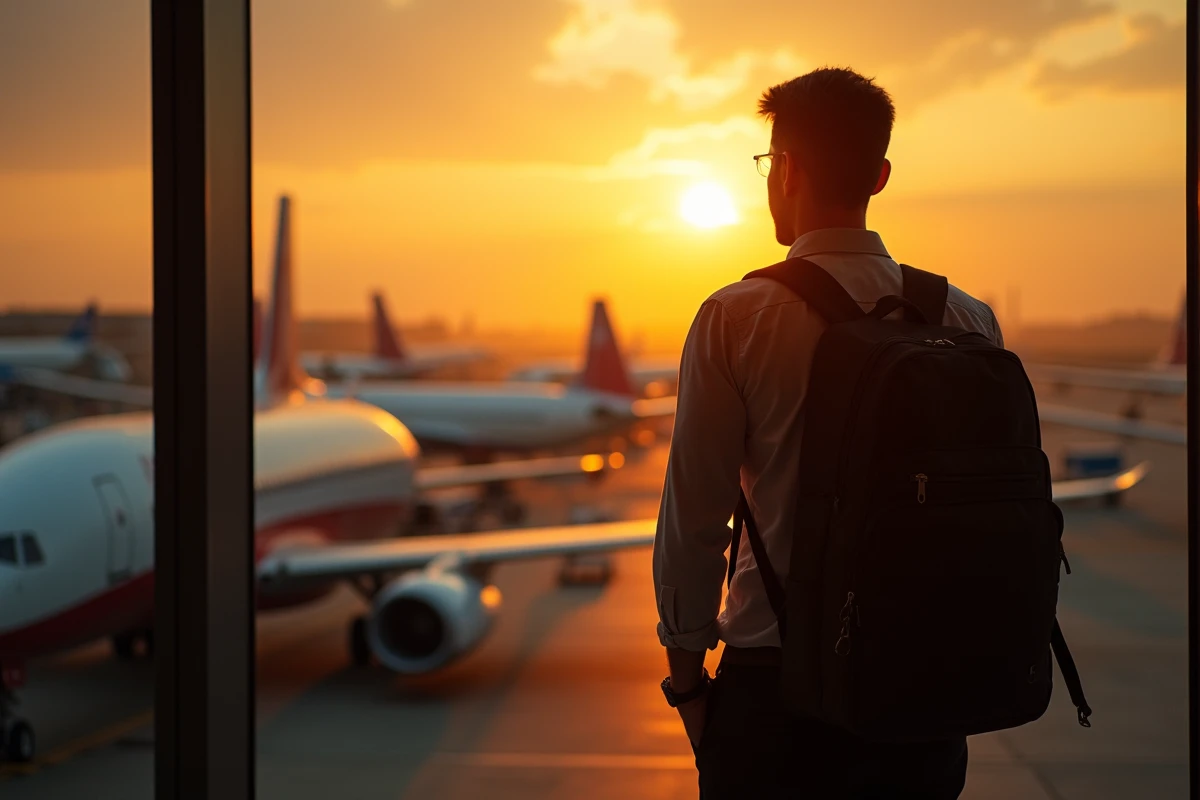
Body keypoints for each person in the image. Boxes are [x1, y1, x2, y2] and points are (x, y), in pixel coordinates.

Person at [652, 67, 1004, 798]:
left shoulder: (735, 317)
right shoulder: (968, 320)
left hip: (774, 688)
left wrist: (689, 686)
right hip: (919, 693)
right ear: (878, 175)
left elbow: (694, 523)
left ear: (786, 170)